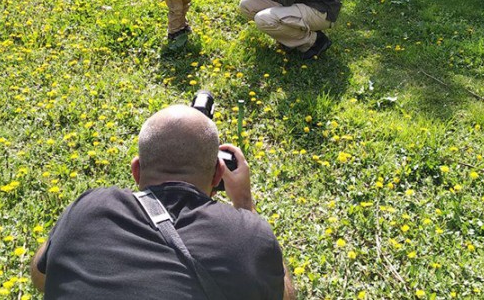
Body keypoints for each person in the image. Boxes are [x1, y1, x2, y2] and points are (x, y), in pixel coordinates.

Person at [30, 105, 296, 300]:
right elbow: (283, 295)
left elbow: (41, 276)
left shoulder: (88, 209)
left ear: (136, 171)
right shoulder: (246, 235)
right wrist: (245, 204)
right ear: (218, 175)